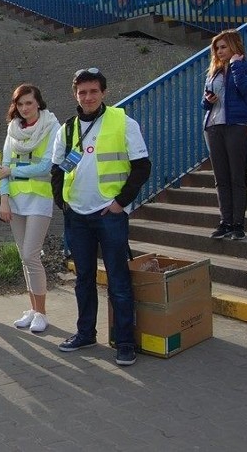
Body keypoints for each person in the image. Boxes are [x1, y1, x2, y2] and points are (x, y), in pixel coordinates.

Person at [51, 68, 151, 367]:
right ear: (75, 95)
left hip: (109, 214)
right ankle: (85, 333)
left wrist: (120, 202)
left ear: (103, 93)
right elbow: (57, 170)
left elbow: (142, 167)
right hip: (77, 215)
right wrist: (63, 203)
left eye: (94, 91)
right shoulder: (66, 129)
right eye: (82, 92)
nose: (88, 97)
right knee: (83, 279)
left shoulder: (123, 122)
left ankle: (124, 342)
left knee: (118, 279)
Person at [0, 85, 61, 333]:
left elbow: (47, 166)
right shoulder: (13, 130)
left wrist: (14, 171)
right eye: (20, 104)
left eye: (29, 103)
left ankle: (42, 312)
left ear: (38, 103)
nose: (25, 108)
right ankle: (33, 309)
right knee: (25, 257)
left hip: (39, 198)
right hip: (15, 199)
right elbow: (2, 166)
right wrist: (4, 199)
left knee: (30, 255)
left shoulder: (51, 127)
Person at [201, 29, 247, 241]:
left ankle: (238, 225)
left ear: (234, 46)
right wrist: (207, 100)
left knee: (236, 177)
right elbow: (203, 103)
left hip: (235, 126)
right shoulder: (213, 72)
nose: (219, 51)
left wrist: (236, 65)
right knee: (220, 178)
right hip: (213, 127)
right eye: (217, 48)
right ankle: (225, 222)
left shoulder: (245, 67)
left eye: (223, 47)